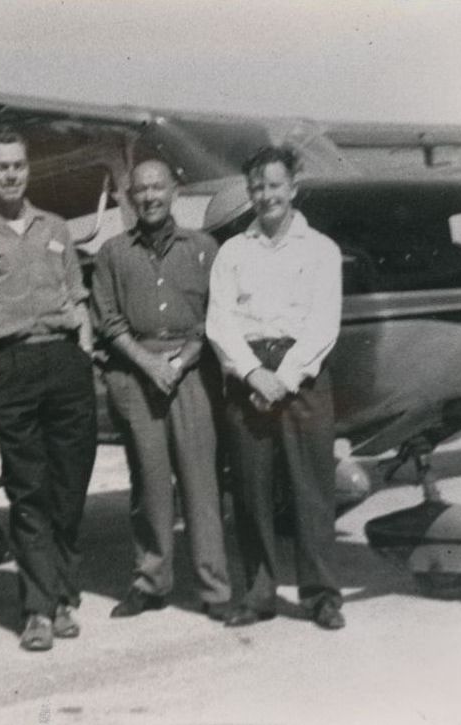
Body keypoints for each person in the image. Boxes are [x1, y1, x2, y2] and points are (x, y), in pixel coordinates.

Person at [0, 131, 97, 652]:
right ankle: (39, 610)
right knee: (29, 491)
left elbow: (78, 298)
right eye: (0, 167)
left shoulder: (53, 227)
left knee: (71, 489)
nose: (10, 175)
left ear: (29, 169)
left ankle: (64, 595)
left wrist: (83, 353)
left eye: (18, 166)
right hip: (8, 366)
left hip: (64, 363)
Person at [206, 145, 345, 630]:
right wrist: (251, 373)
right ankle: (260, 593)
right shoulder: (232, 252)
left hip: (302, 373)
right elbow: (219, 323)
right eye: (257, 188)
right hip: (248, 375)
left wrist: (282, 378)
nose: (265, 196)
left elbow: (325, 323)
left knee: (312, 490)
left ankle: (322, 595)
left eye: (273, 186)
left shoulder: (321, 249)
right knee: (251, 491)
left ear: (293, 189)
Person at [91, 159, 231, 620]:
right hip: (137, 374)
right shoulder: (112, 252)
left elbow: (217, 315)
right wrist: (150, 363)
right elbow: (108, 320)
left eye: (158, 188)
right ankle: (151, 583)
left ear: (175, 191)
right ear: (129, 197)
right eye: (141, 190)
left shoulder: (204, 248)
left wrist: (184, 359)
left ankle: (214, 588)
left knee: (201, 485)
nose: (150, 197)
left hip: (193, 372)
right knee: (148, 485)